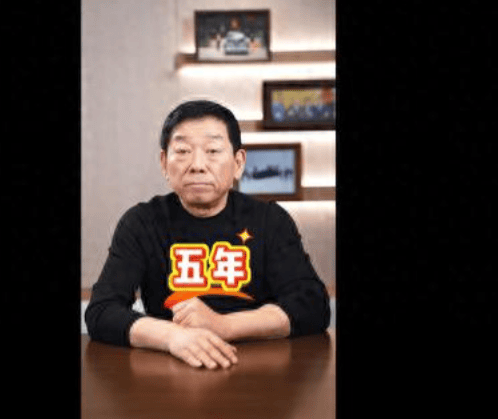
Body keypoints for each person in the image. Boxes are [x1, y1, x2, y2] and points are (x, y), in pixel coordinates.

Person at [85, 100, 331, 369]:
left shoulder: (269, 220)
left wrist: (224, 325)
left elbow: (312, 306)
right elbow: (102, 311)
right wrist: (172, 337)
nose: (197, 165)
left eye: (213, 150)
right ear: (164, 163)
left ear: (238, 163)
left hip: (259, 367)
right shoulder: (142, 222)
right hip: (171, 368)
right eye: (183, 151)